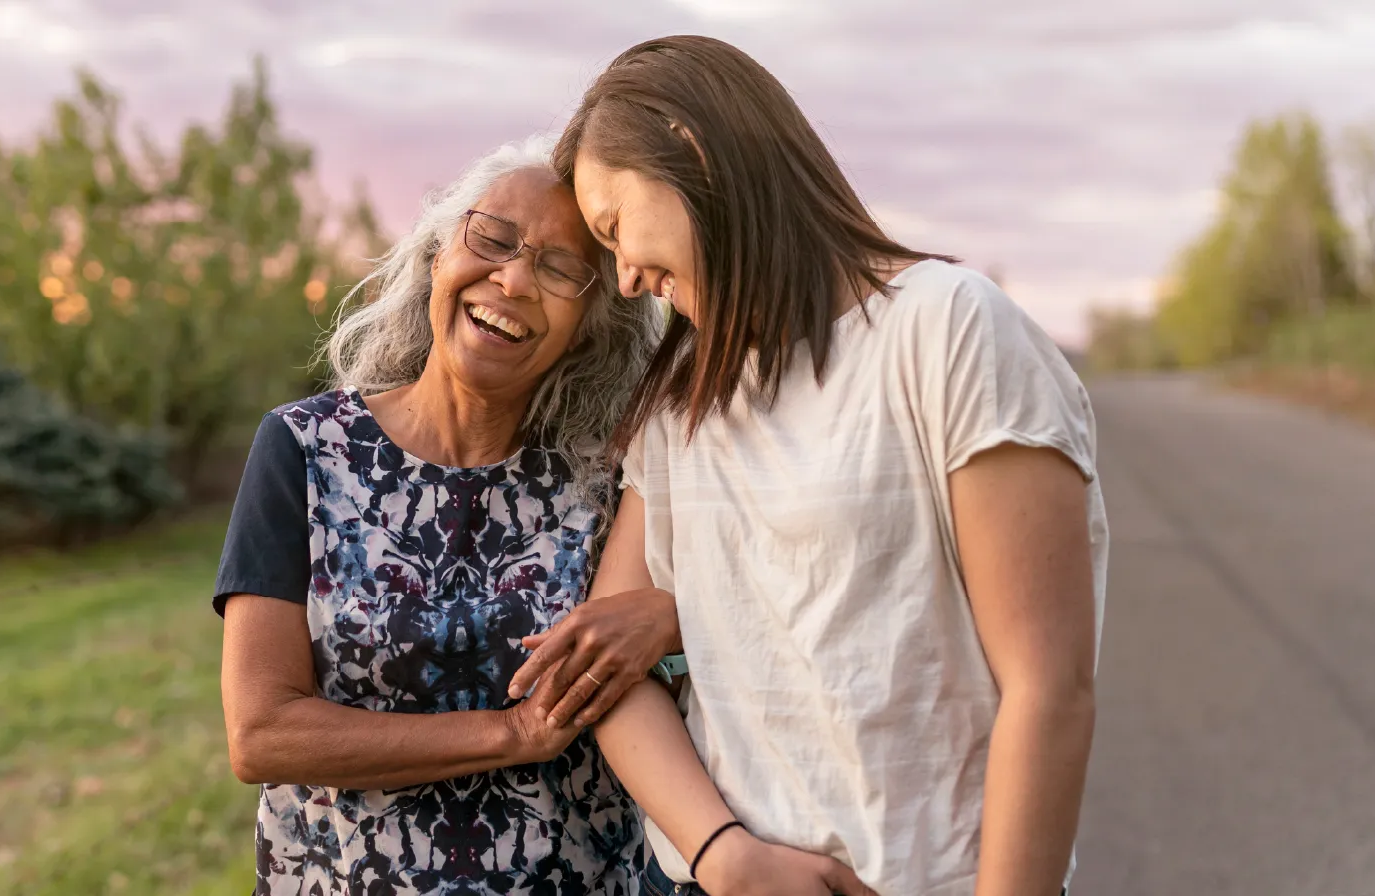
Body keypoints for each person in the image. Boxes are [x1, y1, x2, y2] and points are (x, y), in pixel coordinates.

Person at [510, 36, 1109, 896]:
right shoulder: (683, 396)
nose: (628, 275)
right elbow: (602, 671)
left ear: (688, 145)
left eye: (614, 228)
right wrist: (723, 854)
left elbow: (1047, 691)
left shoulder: (946, 332)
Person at [215, 134, 664, 894]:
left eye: (559, 269)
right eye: (491, 238)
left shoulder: (616, 475)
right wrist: (514, 733)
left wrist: (668, 614)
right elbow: (261, 733)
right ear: (436, 255)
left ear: (592, 325)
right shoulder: (304, 447)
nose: (514, 279)